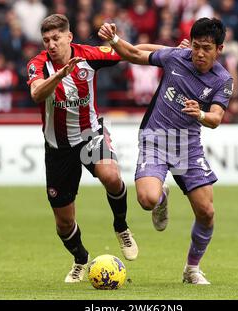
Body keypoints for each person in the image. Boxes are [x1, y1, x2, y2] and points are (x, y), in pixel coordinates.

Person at [27, 14, 173, 283]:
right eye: (46, 40)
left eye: (56, 38)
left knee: (111, 176)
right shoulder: (38, 65)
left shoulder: (89, 55)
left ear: (69, 37)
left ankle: (121, 227)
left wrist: (176, 53)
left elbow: (133, 51)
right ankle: (80, 259)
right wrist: (60, 75)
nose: (51, 44)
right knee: (64, 223)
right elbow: (37, 93)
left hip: (89, 135)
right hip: (58, 148)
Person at [99, 17, 233, 285]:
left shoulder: (223, 80)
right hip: (156, 139)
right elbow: (136, 53)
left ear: (219, 49)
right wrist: (114, 39)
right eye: (196, 46)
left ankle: (191, 269)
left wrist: (201, 114)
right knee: (147, 199)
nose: (200, 53)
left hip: (188, 146)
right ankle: (161, 199)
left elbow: (216, 119)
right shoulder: (176, 57)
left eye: (207, 48)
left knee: (206, 212)